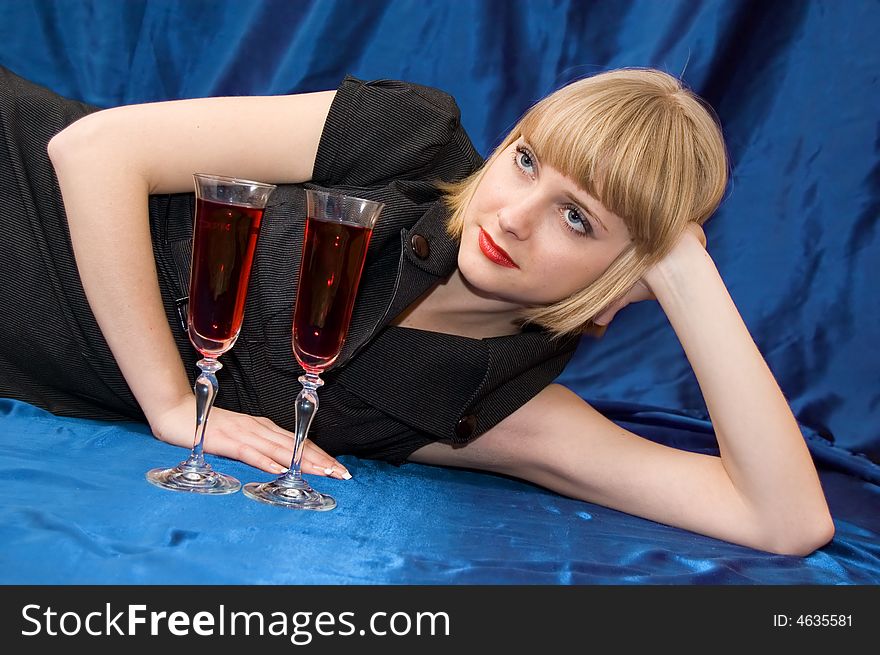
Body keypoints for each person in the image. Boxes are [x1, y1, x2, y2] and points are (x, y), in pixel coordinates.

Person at [0, 64, 834, 555]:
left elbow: (785, 520)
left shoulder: (501, 409)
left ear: (627, 274)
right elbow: (91, 150)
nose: (514, 212)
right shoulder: (408, 142)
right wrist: (175, 406)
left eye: (579, 218)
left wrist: (682, 267)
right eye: (528, 160)